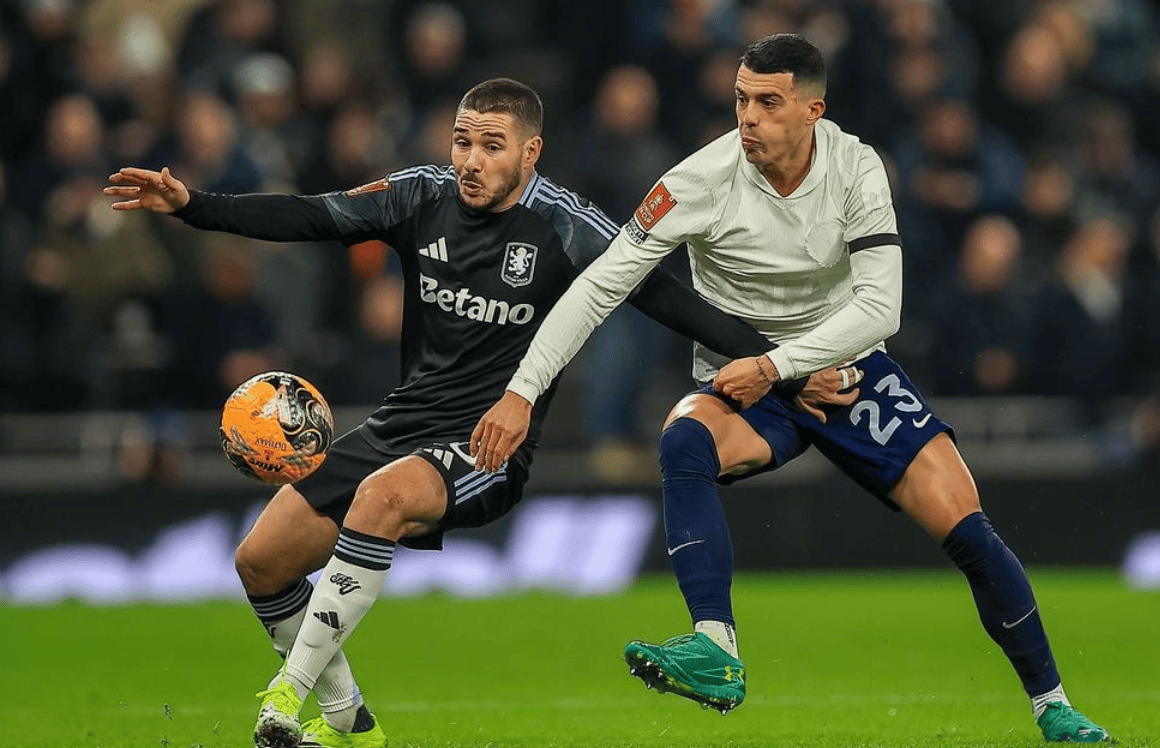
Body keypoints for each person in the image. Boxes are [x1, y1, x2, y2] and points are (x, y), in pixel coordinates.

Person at [105, 77, 850, 748]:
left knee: (381, 499)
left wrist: (784, 369)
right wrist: (195, 206)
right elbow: (314, 215)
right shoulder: (418, 195)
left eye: (491, 146)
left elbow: (668, 299)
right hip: (399, 424)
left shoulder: (566, 225)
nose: (470, 160)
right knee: (261, 561)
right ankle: (349, 725)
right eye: (462, 141)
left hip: (487, 444)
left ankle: (284, 699)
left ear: (530, 152)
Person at [470, 36, 1110, 743]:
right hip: (748, 382)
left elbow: (881, 309)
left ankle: (1054, 707)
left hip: (846, 373)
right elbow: (600, 286)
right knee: (684, 437)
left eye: (769, 102)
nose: (749, 117)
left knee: (969, 531)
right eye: (741, 99)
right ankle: (715, 646)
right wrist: (522, 391)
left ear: (812, 111)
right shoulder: (697, 181)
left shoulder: (856, 167)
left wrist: (782, 366)